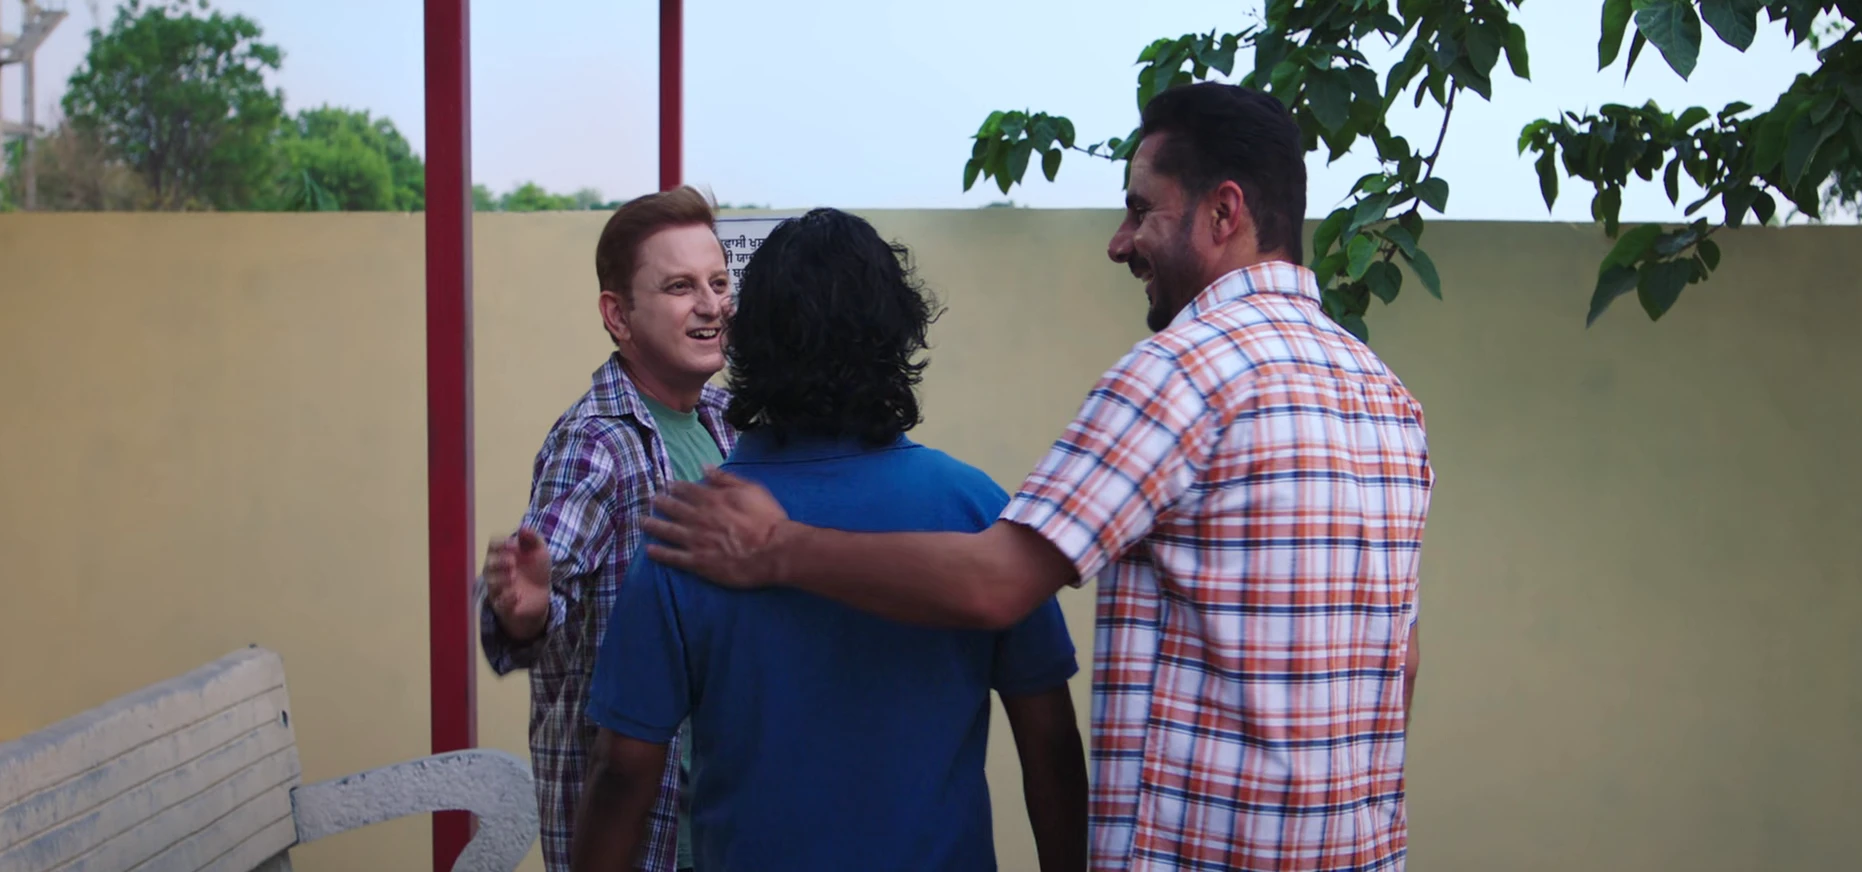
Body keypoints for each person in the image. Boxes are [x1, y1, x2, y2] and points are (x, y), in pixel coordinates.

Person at [638, 83, 1433, 872]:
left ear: (1223, 212)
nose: (1120, 243)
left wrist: (776, 548)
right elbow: (1400, 663)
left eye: (1141, 210)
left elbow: (996, 584)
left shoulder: (1184, 372)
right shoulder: (1384, 396)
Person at [569, 208, 1090, 872]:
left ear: (745, 338)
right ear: (898, 335)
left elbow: (624, 772)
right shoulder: (978, 512)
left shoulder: (690, 531)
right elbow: (1049, 742)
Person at [478, 185, 734, 872]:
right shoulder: (597, 440)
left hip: (723, 825)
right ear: (618, 315)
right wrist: (526, 611)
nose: (710, 305)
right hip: (643, 841)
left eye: (717, 283)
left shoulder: (726, 422)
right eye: (679, 287)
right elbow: (541, 578)